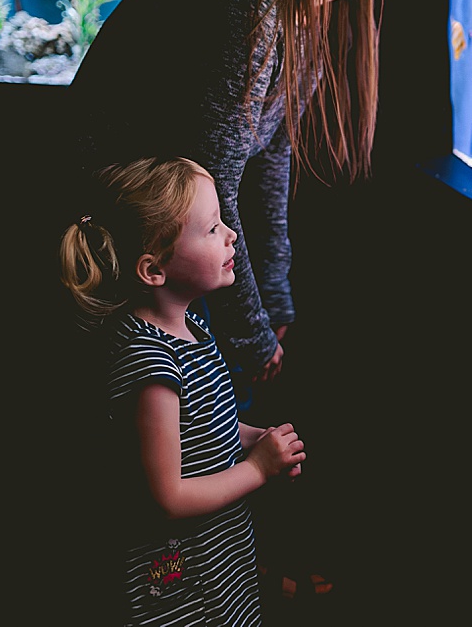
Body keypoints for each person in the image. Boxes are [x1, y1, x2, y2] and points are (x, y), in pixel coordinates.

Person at [69, 0, 425, 386]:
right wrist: (252, 333)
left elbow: (272, 158)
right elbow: (214, 182)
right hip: (116, 260)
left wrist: (276, 302)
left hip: (177, 251)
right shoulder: (249, 4)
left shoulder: (308, 13)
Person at [58, 156, 307, 626]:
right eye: (212, 229)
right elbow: (167, 496)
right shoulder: (151, 365)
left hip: (219, 560)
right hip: (184, 589)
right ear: (154, 270)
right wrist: (257, 469)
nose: (231, 234)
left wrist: (253, 438)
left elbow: (199, 427)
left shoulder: (190, 326)